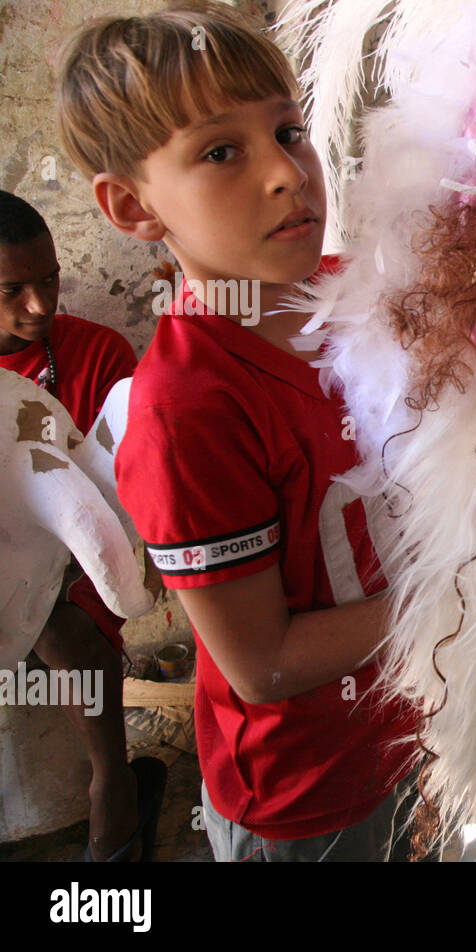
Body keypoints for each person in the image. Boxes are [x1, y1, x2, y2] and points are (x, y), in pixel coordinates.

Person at [57, 2, 419, 861]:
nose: (288, 172)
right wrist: (461, 599)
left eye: (290, 131)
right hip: (306, 794)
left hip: (412, 729)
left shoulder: (357, 296)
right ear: (133, 207)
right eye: (221, 151)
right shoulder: (188, 413)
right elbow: (266, 663)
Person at [0, 189, 166, 862]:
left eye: (49, 280)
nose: (40, 305)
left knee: (58, 624)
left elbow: (123, 489)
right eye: (12, 288)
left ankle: (111, 792)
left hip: (82, 567)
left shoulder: (95, 354)